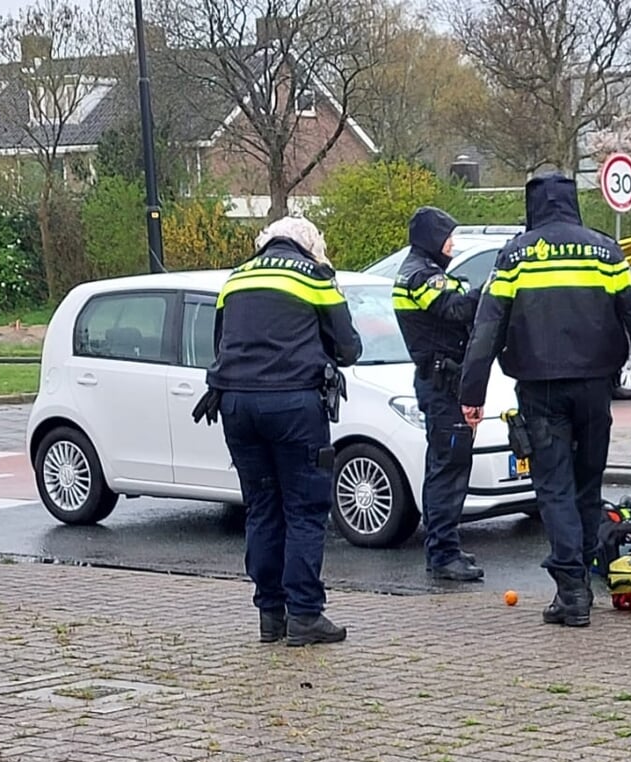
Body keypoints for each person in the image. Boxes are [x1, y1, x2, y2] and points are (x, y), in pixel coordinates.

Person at [461, 172, 631, 627]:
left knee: (553, 488)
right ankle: (583, 582)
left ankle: (571, 593)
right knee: (588, 486)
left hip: (540, 389)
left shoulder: (515, 255)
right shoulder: (605, 251)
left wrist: (470, 393)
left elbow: (487, 327)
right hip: (596, 387)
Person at [197, 216, 361, 646]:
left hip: (235, 405)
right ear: (309, 245)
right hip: (294, 406)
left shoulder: (236, 278)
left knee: (262, 507)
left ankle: (271, 614)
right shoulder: (315, 276)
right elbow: (348, 347)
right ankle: (305, 614)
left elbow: (220, 345)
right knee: (305, 509)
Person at [392, 206, 484, 582]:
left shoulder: (424, 272)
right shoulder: (420, 277)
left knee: (445, 466)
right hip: (442, 384)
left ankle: (444, 545)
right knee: (449, 468)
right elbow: (456, 309)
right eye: (448, 236)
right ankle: (443, 554)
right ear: (432, 238)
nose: (452, 244)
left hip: (443, 381)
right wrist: (493, 287)